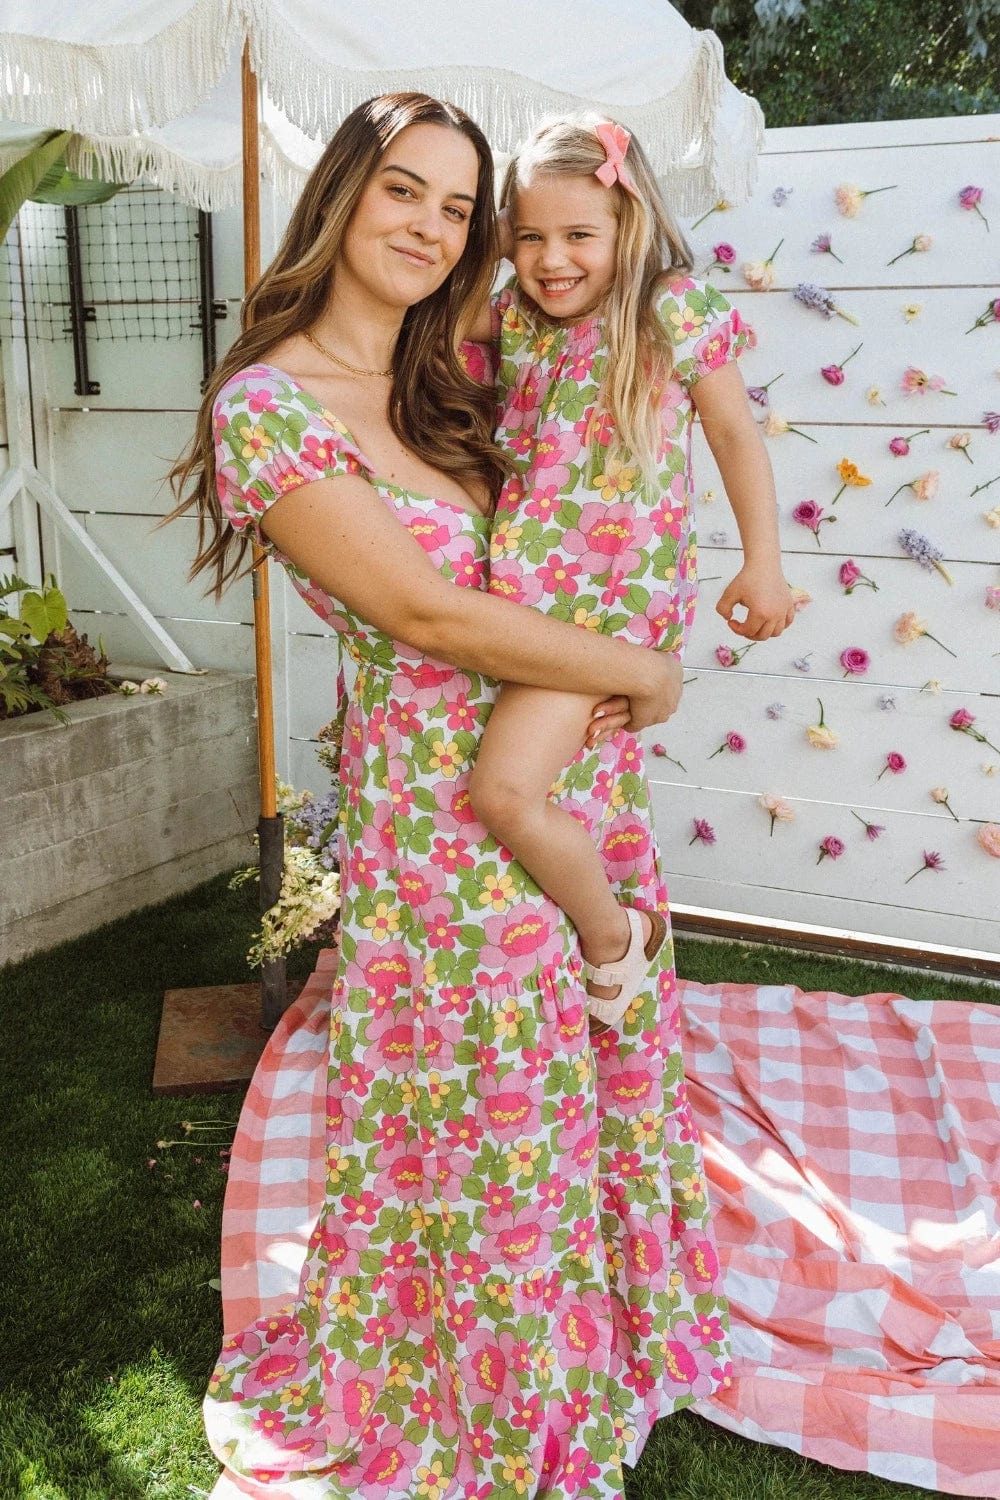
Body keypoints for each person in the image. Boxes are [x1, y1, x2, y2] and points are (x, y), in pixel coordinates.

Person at [170, 92, 729, 1499]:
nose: (429, 225)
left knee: (581, 1073)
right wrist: (644, 670)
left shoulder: (453, 375)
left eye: (456, 206)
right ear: (342, 195)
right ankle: (492, 1385)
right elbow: (428, 614)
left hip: (564, 778)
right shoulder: (269, 407)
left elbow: (600, 483)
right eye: (401, 190)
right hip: (442, 825)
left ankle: (606, 1332)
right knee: (490, 1114)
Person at [465, 116, 796, 1031]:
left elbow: (734, 433)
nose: (551, 259)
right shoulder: (518, 316)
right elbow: (436, 315)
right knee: (552, 789)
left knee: (504, 792)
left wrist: (763, 563)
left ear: (630, 223)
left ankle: (616, 936)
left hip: (604, 611)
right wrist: (497, 233)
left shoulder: (667, 309)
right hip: (522, 608)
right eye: (531, 236)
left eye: (580, 234)